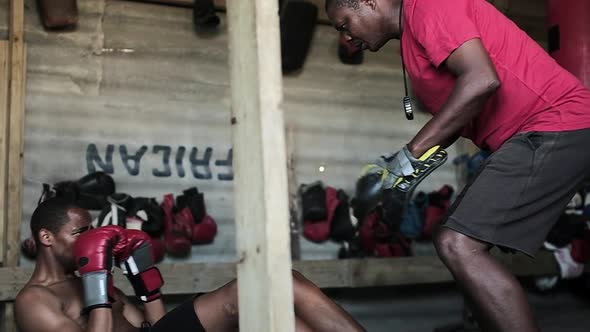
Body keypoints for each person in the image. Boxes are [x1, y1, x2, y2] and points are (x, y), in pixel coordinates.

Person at [325, 0, 590, 331]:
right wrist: (399, 176)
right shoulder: (411, 44)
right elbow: (457, 117)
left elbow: (481, 80)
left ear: (368, 2)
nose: (347, 38)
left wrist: (406, 158)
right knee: (449, 239)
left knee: (459, 243)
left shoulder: (428, 6)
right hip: (526, 138)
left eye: (345, 24)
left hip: (555, 123)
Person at [15, 197, 367, 332]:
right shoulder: (35, 302)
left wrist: (142, 278)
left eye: (92, 230)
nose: (90, 238)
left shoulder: (98, 283)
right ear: (46, 237)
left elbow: (157, 325)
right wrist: (95, 277)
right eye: (80, 232)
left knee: (280, 300)